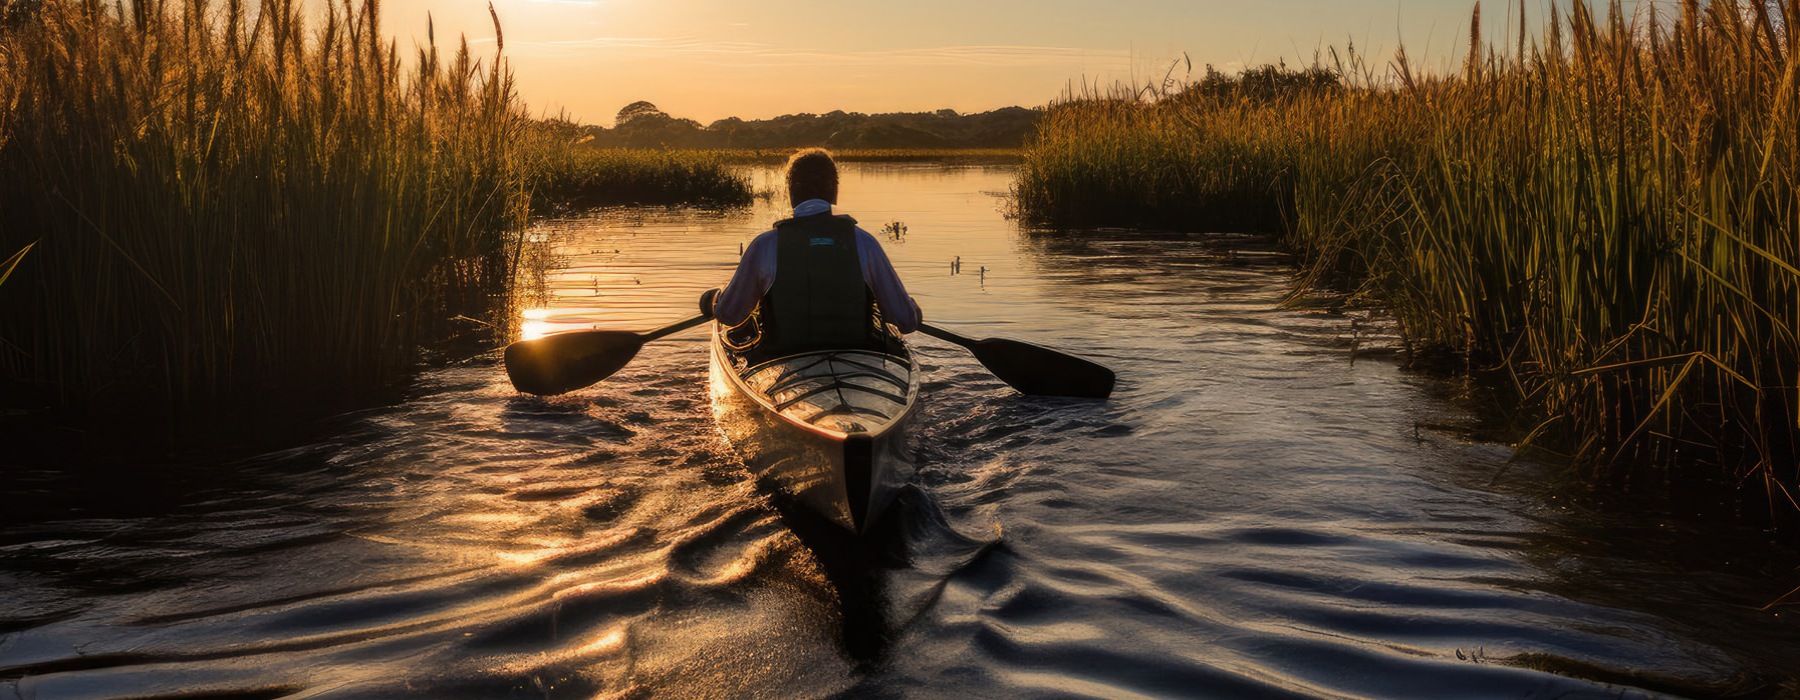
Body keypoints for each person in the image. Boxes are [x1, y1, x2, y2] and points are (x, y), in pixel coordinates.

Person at [710, 148, 921, 356]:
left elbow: (730, 316)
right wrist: (913, 309)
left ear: (790, 192)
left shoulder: (764, 245)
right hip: (857, 357)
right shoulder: (864, 242)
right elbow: (906, 321)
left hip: (786, 359)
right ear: (835, 192)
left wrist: (714, 301)